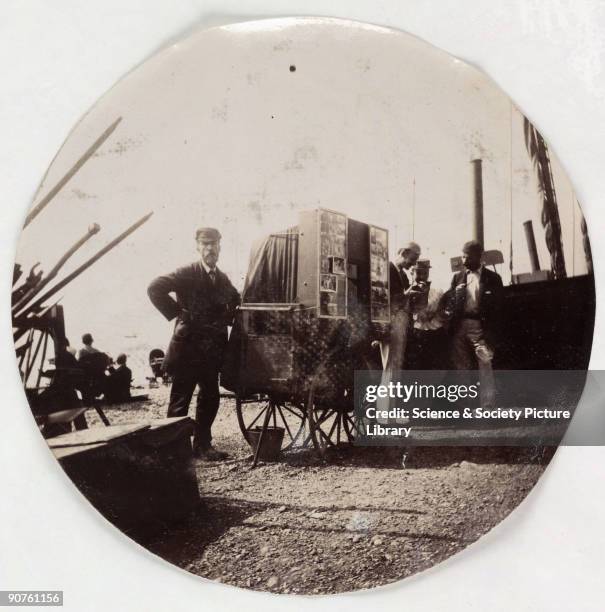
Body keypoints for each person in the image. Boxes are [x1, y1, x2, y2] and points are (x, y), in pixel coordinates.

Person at [147, 227, 240, 460]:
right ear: (198, 247)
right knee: (180, 401)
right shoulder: (187, 273)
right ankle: (173, 451)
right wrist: (179, 314)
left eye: (214, 244)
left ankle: (203, 446)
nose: (210, 249)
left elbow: (236, 299)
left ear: (220, 247)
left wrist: (226, 319)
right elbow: (154, 288)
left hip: (211, 351)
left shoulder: (222, 278)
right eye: (205, 244)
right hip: (188, 349)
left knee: (210, 399)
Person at [449, 240, 503, 407]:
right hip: (459, 326)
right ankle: (464, 406)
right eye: (463, 257)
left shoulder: (493, 278)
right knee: (461, 367)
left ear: (480, 257)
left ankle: (488, 405)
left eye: (468, 257)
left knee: (485, 362)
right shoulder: (457, 277)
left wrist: (492, 334)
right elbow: (450, 303)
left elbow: (499, 308)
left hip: (480, 326)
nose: (464, 261)